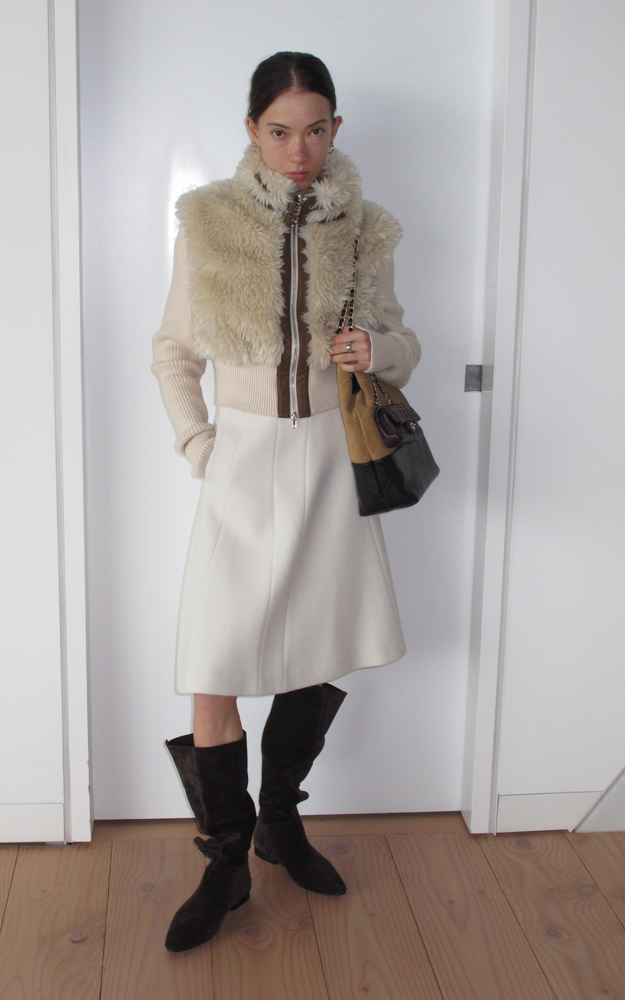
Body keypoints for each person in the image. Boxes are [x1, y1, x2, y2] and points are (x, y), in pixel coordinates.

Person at [152, 51, 421, 953]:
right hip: (241, 463)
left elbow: (405, 342)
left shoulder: (367, 229)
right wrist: (200, 444)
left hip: (327, 465)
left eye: (314, 130)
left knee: (312, 649)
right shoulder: (208, 221)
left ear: (335, 129)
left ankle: (279, 822)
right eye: (278, 131)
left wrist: (378, 351)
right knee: (215, 664)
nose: (297, 151)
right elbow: (173, 351)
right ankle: (224, 860)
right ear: (251, 130)